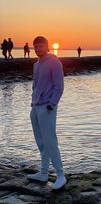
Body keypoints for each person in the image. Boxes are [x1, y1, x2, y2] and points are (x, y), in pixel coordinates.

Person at [27, 36, 66, 190]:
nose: (37, 49)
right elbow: (35, 85)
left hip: (47, 108)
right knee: (41, 142)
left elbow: (59, 86)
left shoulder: (55, 62)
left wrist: (51, 104)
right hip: (36, 107)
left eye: (40, 46)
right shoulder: (36, 65)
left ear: (47, 47)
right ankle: (43, 172)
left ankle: (61, 175)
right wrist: (33, 102)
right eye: (35, 46)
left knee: (50, 141)